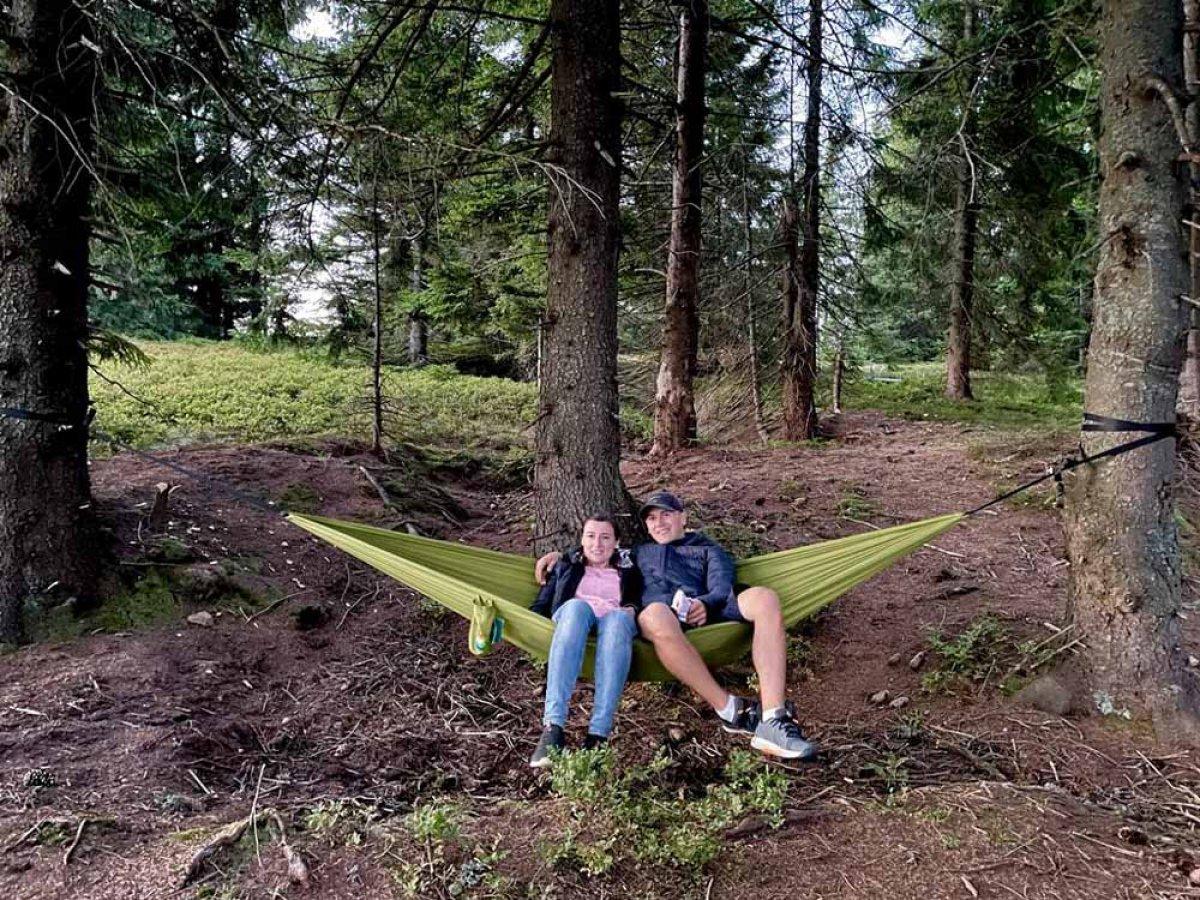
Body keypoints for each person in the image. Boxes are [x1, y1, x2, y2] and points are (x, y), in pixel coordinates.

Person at [536, 491, 816, 761]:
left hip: (709, 612)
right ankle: (728, 708)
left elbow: (721, 585)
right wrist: (559, 557)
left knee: (765, 598)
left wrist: (705, 604)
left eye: (666, 515)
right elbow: (597, 550)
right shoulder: (638, 553)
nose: (659, 523)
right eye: (652, 518)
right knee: (656, 612)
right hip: (659, 619)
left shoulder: (707, 549)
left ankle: (773, 719)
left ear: (684, 517)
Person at [528, 513, 642, 768]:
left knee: (618, 620)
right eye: (590, 536)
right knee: (576, 607)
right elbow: (540, 604)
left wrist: (632, 609)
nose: (597, 544)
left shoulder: (631, 567)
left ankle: (598, 735)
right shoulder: (566, 564)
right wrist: (525, 626)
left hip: (614, 625)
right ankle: (553, 729)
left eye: (605, 538)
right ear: (581, 539)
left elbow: (639, 598)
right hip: (573, 621)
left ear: (617, 542)